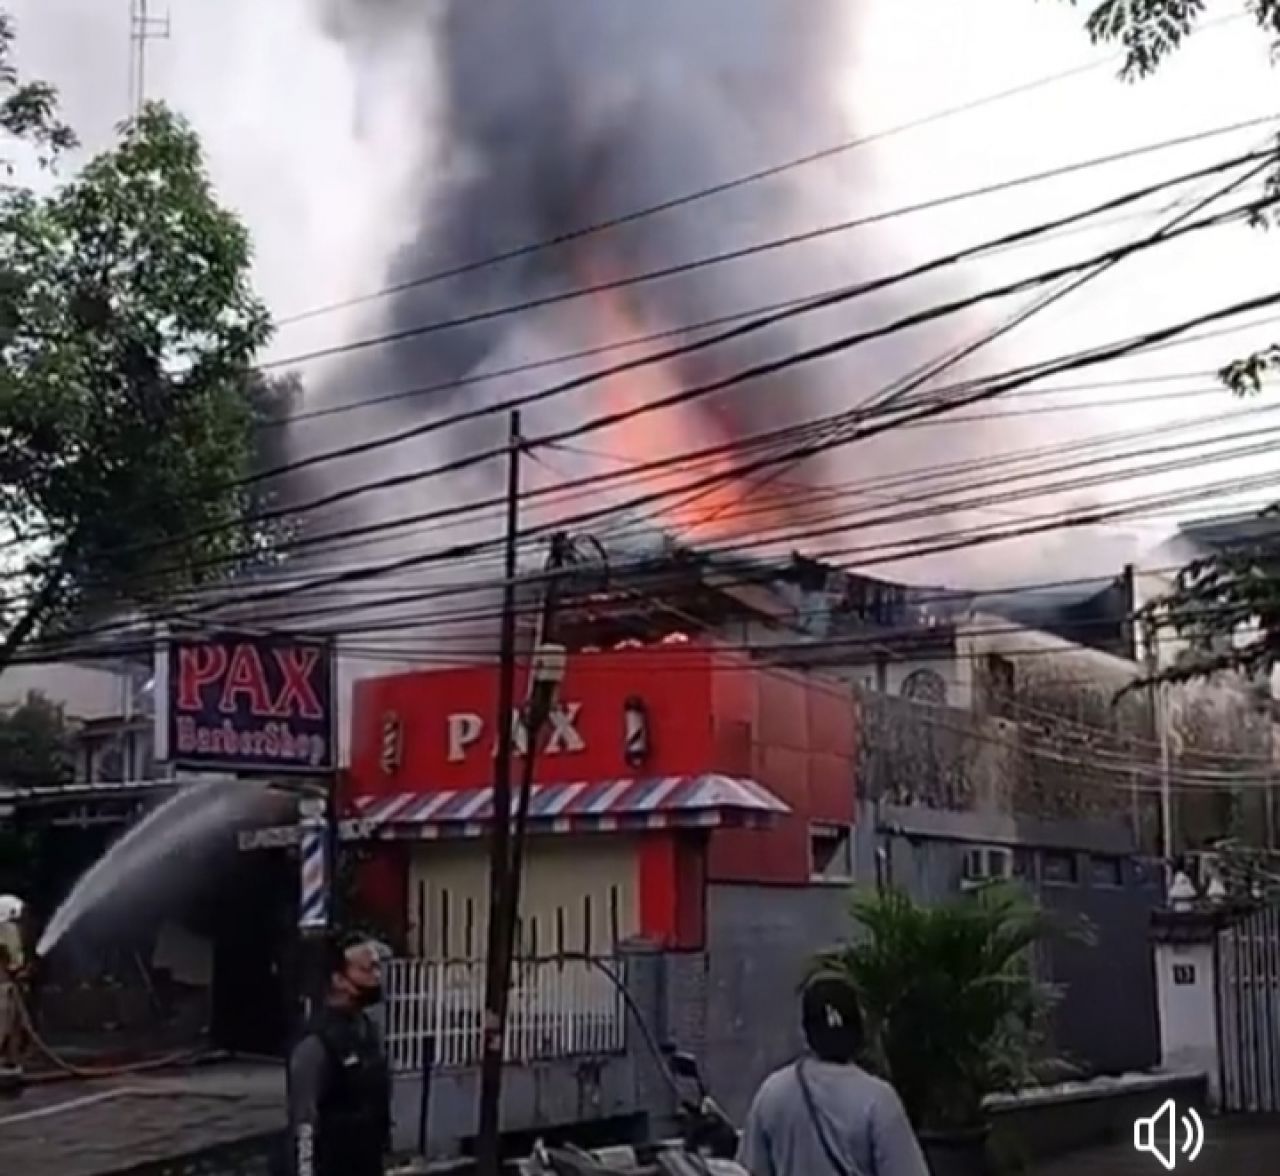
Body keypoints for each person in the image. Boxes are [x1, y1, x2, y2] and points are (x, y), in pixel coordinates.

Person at [738, 974, 928, 1176]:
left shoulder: (772, 1093)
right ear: (858, 1027)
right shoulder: (878, 1100)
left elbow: (747, 1170)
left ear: (806, 1031)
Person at [287, 935, 392, 1176]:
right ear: (338, 979)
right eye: (367, 969)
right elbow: (304, 1123)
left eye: (377, 968)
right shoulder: (317, 1043)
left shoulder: (366, 1030)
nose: (377, 977)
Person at [0, 895, 27, 1071]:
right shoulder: (6, 930)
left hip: (12, 985)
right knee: (4, 1024)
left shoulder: (11, 930)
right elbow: (5, 954)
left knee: (14, 1025)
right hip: (5, 986)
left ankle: (12, 1060)